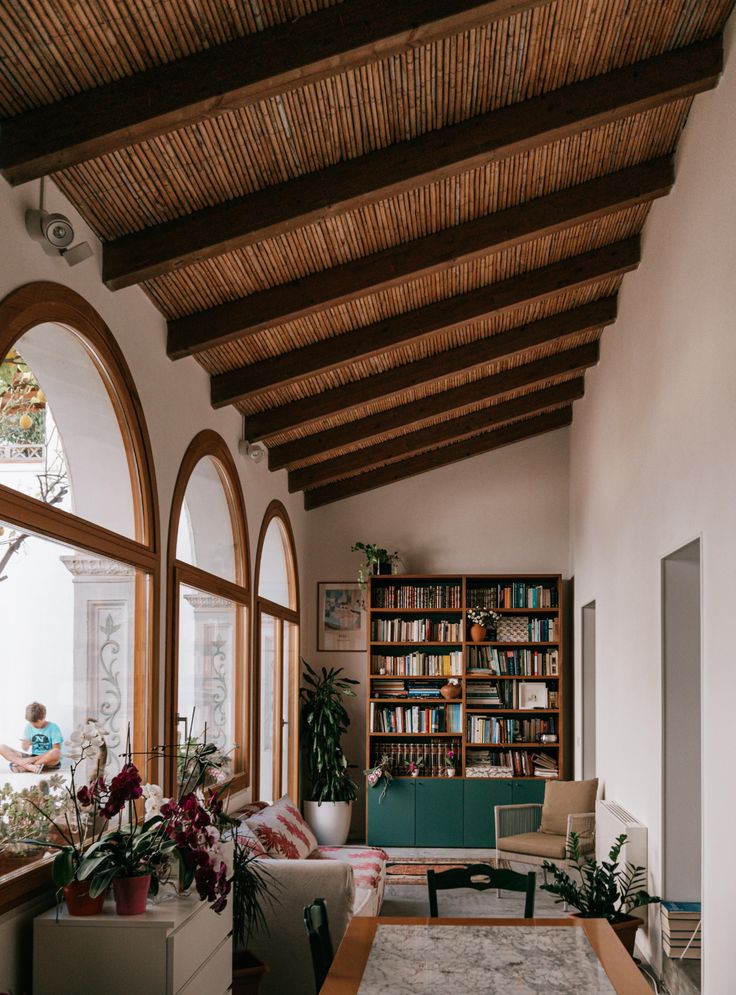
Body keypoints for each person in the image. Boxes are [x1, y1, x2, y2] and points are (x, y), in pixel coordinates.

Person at [0, 702, 63, 773]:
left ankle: (24, 765)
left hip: (47, 759)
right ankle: (29, 766)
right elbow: (25, 749)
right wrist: (25, 745)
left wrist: (33, 759)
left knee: (56, 752)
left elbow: (56, 749)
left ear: (43, 717)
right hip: (32, 756)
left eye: (36, 722)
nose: (33, 725)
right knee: (2, 747)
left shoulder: (53, 728)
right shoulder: (29, 727)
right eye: (31, 722)